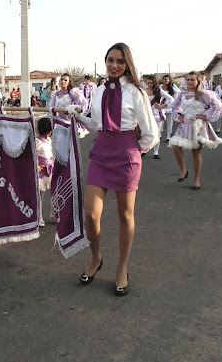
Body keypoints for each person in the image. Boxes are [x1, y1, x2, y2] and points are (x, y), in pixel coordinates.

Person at [68, 42, 159, 296]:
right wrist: (78, 116)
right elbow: (97, 125)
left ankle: (122, 267)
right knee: (91, 215)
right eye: (110, 60)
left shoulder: (137, 92)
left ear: (127, 64)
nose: (114, 65)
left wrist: (135, 151)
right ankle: (96, 258)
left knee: (125, 215)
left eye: (120, 61)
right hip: (101, 153)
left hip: (126, 155)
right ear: (105, 61)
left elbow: (151, 132)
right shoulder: (99, 90)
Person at [169, 71, 222, 190]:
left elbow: (218, 106)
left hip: (198, 126)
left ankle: (196, 179)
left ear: (198, 81)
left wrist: (206, 116)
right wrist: (179, 116)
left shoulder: (204, 94)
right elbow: (174, 107)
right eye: (188, 79)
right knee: (175, 146)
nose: (190, 82)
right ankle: (183, 169)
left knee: (196, 152)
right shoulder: (181, 94)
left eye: (192, 79)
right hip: (185, 124)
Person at [49, 73, 89, 137]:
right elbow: (51, 107)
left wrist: (76, 114)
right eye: (61, 79)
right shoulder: (55, 94)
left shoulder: (71, 92)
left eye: (65, 80)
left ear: (69, 82)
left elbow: (84, 103)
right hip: (58, 122)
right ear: (59, 81)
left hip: (69, 122)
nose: (63, 81)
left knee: (70, 141)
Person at [145, 75, 174, 159]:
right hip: (147, 114)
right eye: (148, 83)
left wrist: (162, 106)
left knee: (157, 133)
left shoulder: (159, 91)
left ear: (154, 83)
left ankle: (156, 152)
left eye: (151, 83)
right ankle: (145, 149)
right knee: (146, 133)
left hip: (157, 113)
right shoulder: (144, 91)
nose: (149, 85)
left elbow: (171, 99)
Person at [35, 117, 54, 226]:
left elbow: (50, 153)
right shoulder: (37, 141)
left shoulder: (49, 140)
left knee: (54, 191)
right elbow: (31, 154)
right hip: (41, 172)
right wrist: (36, 165)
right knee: (40, 194)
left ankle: (54, 213)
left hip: (50, 169)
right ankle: (39, 218)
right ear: (49, 132)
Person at [161, 74, 180, 143]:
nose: (166, 80)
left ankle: (168, 137)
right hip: (162, 105)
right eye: (165, 79)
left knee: (169, 121)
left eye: (167, 79)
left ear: (169, 80)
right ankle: (160, 134)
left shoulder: (171, 88)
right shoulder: (160, 87)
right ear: (163, 80)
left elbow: (179, 93)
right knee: (161, 120)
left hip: (169, 105)